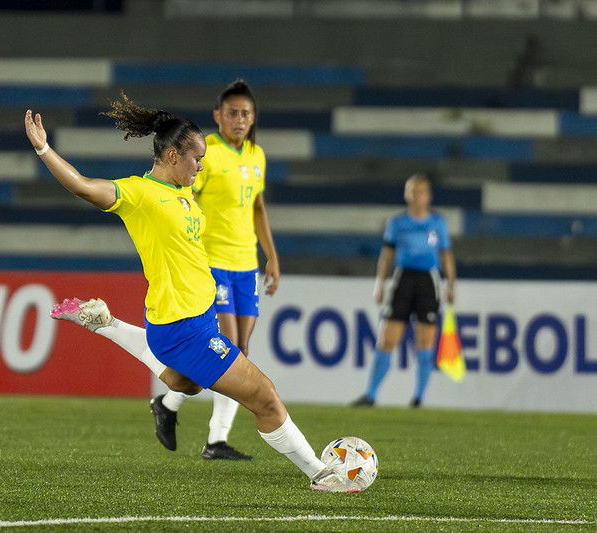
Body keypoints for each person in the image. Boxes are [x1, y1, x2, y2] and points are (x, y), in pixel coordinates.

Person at [25, 94, 341, 491]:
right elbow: (84, 187)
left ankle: (106, 323)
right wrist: (44, 148)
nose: (202, 166)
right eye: (197, 159)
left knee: (187, 385)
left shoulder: (183, 192)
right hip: (183, 326)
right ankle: (321, 474)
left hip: (197, 318)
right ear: (173, 156)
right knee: (264, 395)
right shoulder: (140, 194)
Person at [50, 81, 278, 461]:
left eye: (247, 114)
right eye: (233, 113)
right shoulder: (206, 154)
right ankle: (216, 440)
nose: (240, 120)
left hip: (245, 263)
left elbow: (256, 206)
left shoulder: (257, 156)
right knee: (228, 351)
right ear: (219, 116)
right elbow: (176, 200)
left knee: (216, 364)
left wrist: (271, 255)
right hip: (212, 263)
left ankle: (168, 405)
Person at [352, 174, 456, 408]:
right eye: (413, 191)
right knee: (387, 339)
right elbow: (387, 254)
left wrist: (451, 284)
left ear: (428, 196)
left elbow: (446, 255)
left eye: (422, 191)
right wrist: (380, 283)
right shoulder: (397, 223)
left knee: (426, 341)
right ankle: (370, 395)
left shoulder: (438, 223)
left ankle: (418, 398)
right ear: (407, 194)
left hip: (428, 281)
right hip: (403, 280)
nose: (418, 196)